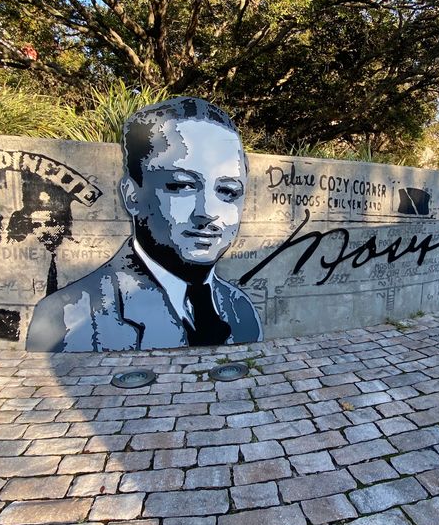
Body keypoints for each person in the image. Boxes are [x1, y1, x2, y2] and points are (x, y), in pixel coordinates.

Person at [26, 96, 262, 352]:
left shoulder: (241, 309)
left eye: (228, 191)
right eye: (180, 186)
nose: (207, 212)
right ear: (132, 195)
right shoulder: (66, 318)